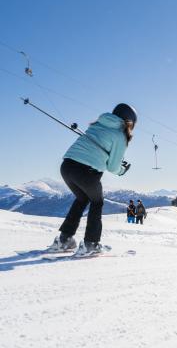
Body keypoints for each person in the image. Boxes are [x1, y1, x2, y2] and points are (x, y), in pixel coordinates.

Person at [49, 103, 137, 256]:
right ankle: (91, 243)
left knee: (82, 198)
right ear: (129, 121)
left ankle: (64, 240)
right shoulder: (120, 135)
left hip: (67, 166)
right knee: (97, 202)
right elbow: (112, 167)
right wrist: (122, 170)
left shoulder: (96, 125)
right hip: (85, 172)